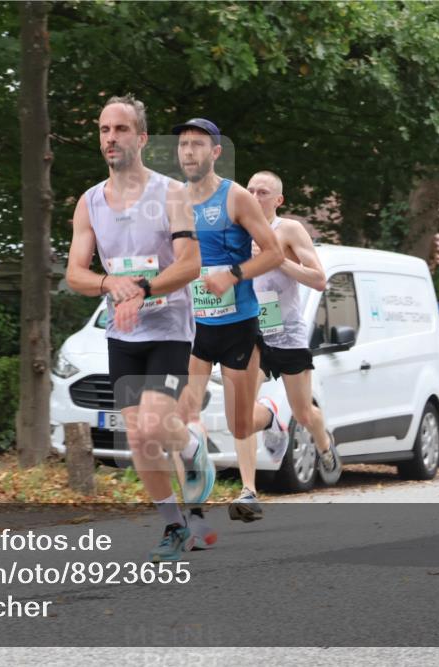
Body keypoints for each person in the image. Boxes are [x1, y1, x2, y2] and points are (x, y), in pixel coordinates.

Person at [65, 96, 215, 562]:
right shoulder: (90, 203)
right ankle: (176, 527)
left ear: (142, 138)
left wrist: (142, 291)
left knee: (156, 423)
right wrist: (110, 282)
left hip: (169, 328)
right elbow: (75, 273)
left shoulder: (171, 194)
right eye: (104, 129)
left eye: (121, 129)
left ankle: (192, 449)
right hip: (122, 334)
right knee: (139, 439)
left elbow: (190, 265)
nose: (111, 138)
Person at [173, 119, 283, 525]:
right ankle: (197, 505)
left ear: (215, 152)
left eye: (198, 145)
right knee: (186, 414)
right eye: (183, 145)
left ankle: (269, 417)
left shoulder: (235, 197)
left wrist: (231, 275)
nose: (188, 152)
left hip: (238, 322)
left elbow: (272, 253)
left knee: (240, 422)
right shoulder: (173, 200)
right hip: (194, 327)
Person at [246, 170, 337, 478]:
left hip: (286, 334)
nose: (255, 197)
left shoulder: (289, 230)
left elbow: (319, 279)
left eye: (263, 192)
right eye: (251, 191)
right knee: (241, 408)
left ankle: (324, 445)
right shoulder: (237, 230)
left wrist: (277, 260)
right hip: (252, 333)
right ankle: (271, 419)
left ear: (278, 200)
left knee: (303, 412)